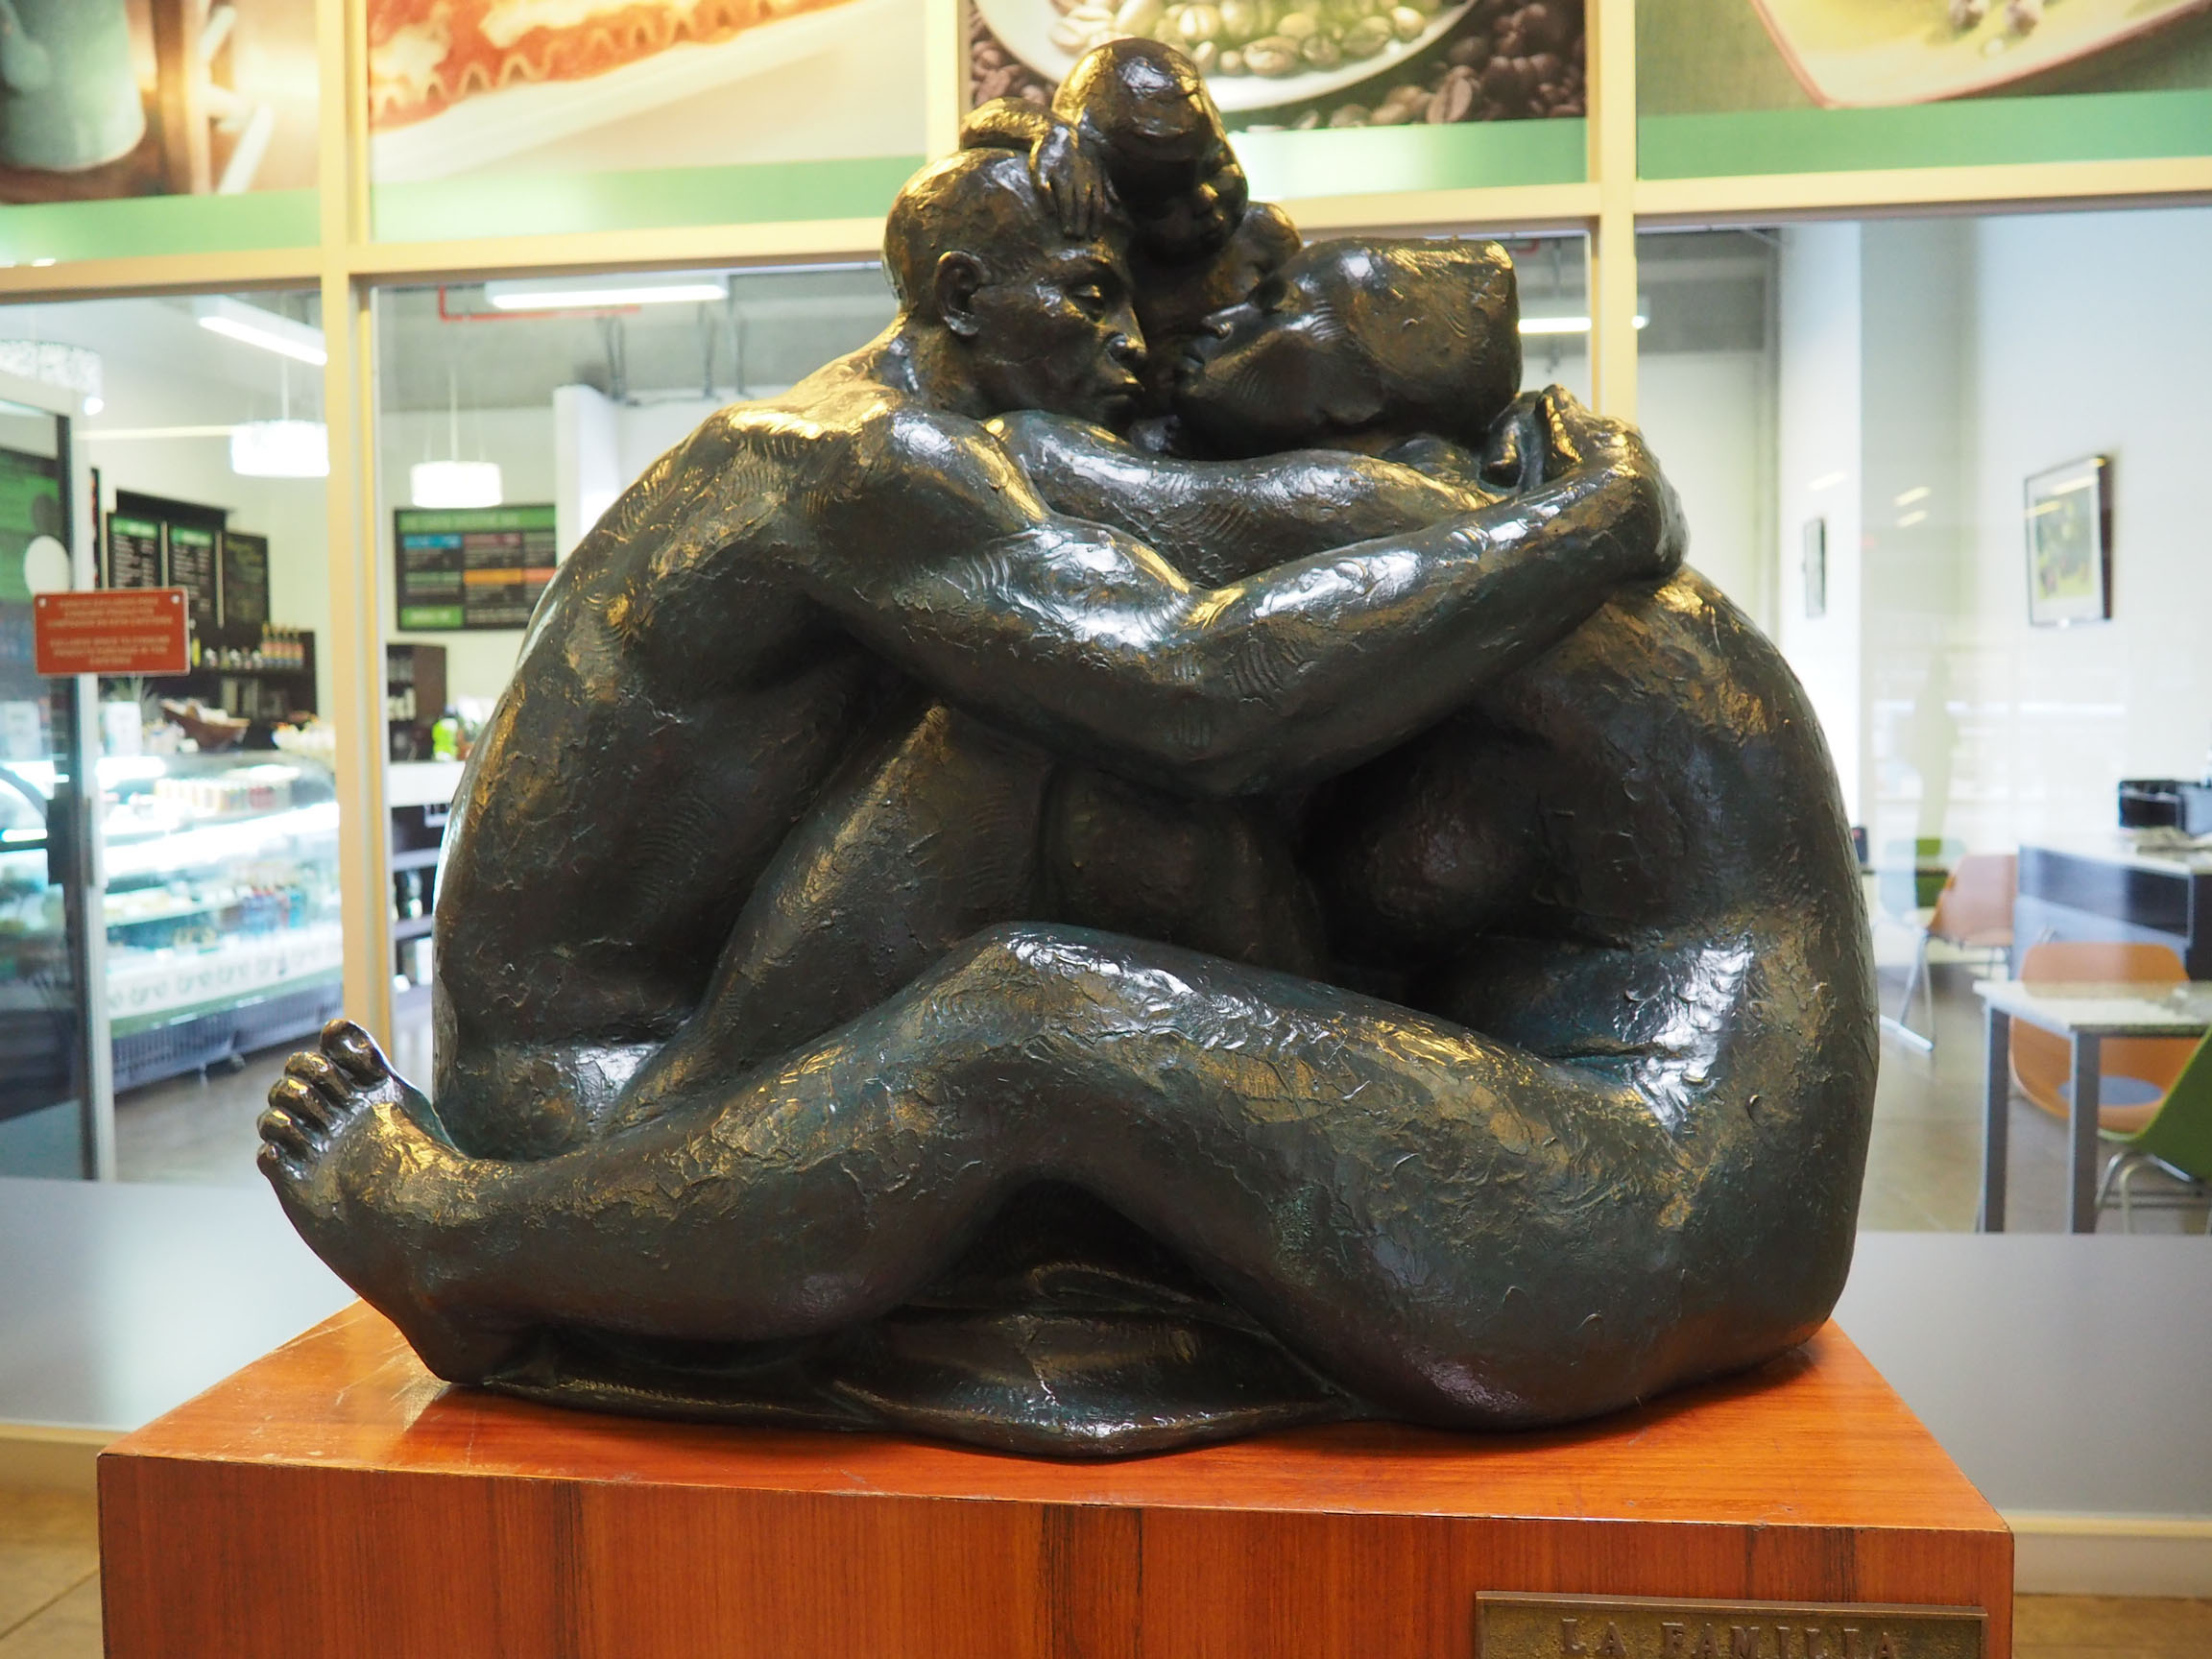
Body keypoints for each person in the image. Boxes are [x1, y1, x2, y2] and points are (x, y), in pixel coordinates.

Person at [259, 144, 1691, 1445]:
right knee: (1075, 744)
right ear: (960, 296)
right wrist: (1588, 522)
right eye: (1086, 297)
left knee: (1087, 737)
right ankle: (519, 1251)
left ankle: (1253, 1162)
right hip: (614, 1115)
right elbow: (1198, 698)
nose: (1132, 348)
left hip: (665, 1042)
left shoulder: (928, 459)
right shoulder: (857, 464)